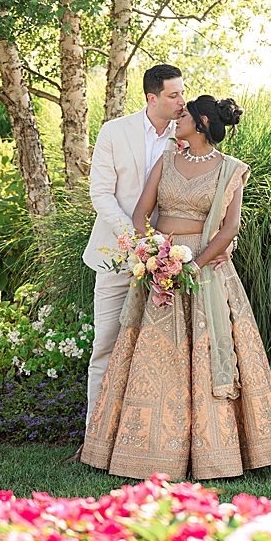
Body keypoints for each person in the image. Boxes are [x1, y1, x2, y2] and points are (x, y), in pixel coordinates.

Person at [81, 94, 271, 479]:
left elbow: (230, 227)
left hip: (204, 267)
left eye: (186, 114)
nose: (179, 117)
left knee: (205, 352)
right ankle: (142, 449)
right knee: (153, 354)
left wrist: (194, 263)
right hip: (160, 263)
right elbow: (142, 212)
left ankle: (213, 453)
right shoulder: (166, 160)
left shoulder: (231, 170)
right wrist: (152, 253)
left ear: (203, 124)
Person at [74, 64, 190, 462]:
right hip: (115, 257)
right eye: (174, 95)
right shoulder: (114, 132)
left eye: (183, 93)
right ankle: (93, 442)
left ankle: (146, 444)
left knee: (160, 354)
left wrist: (168, 251)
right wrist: (137, 240)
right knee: (105, 346)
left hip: (172, 262)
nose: (182, 101)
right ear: (152, 98)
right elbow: (101, 195)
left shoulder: (187, 136)